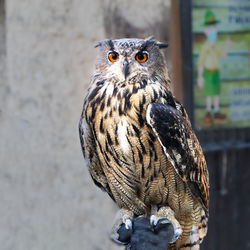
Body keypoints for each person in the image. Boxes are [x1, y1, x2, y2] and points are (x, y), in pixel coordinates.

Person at [197, 9, 233, 125]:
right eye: (210, 28)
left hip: (215, 72)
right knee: (209, 93)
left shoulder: (215, 45)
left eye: (214, 28)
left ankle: (216, 111)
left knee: (216, 92)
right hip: (208, 73)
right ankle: (208, 112)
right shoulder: (205, 47)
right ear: (205, 31)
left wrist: (227, 45)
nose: (213, 31)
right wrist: (200, 76)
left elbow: (223, 55)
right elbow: (201, 62)